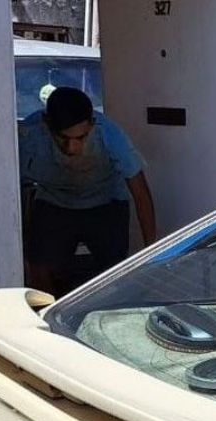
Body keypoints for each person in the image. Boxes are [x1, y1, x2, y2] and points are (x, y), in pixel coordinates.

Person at [18, 87, 157, 296]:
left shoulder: (110, 134)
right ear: (46, 124)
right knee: (38, 265)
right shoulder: (27, 136)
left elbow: (140, 193)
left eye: (81, 138)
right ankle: (46, 315)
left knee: (115, 272)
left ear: (92, 124)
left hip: (106, 202)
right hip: (54, 201)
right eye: (63, 138)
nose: (72, 148)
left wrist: (152, 252)